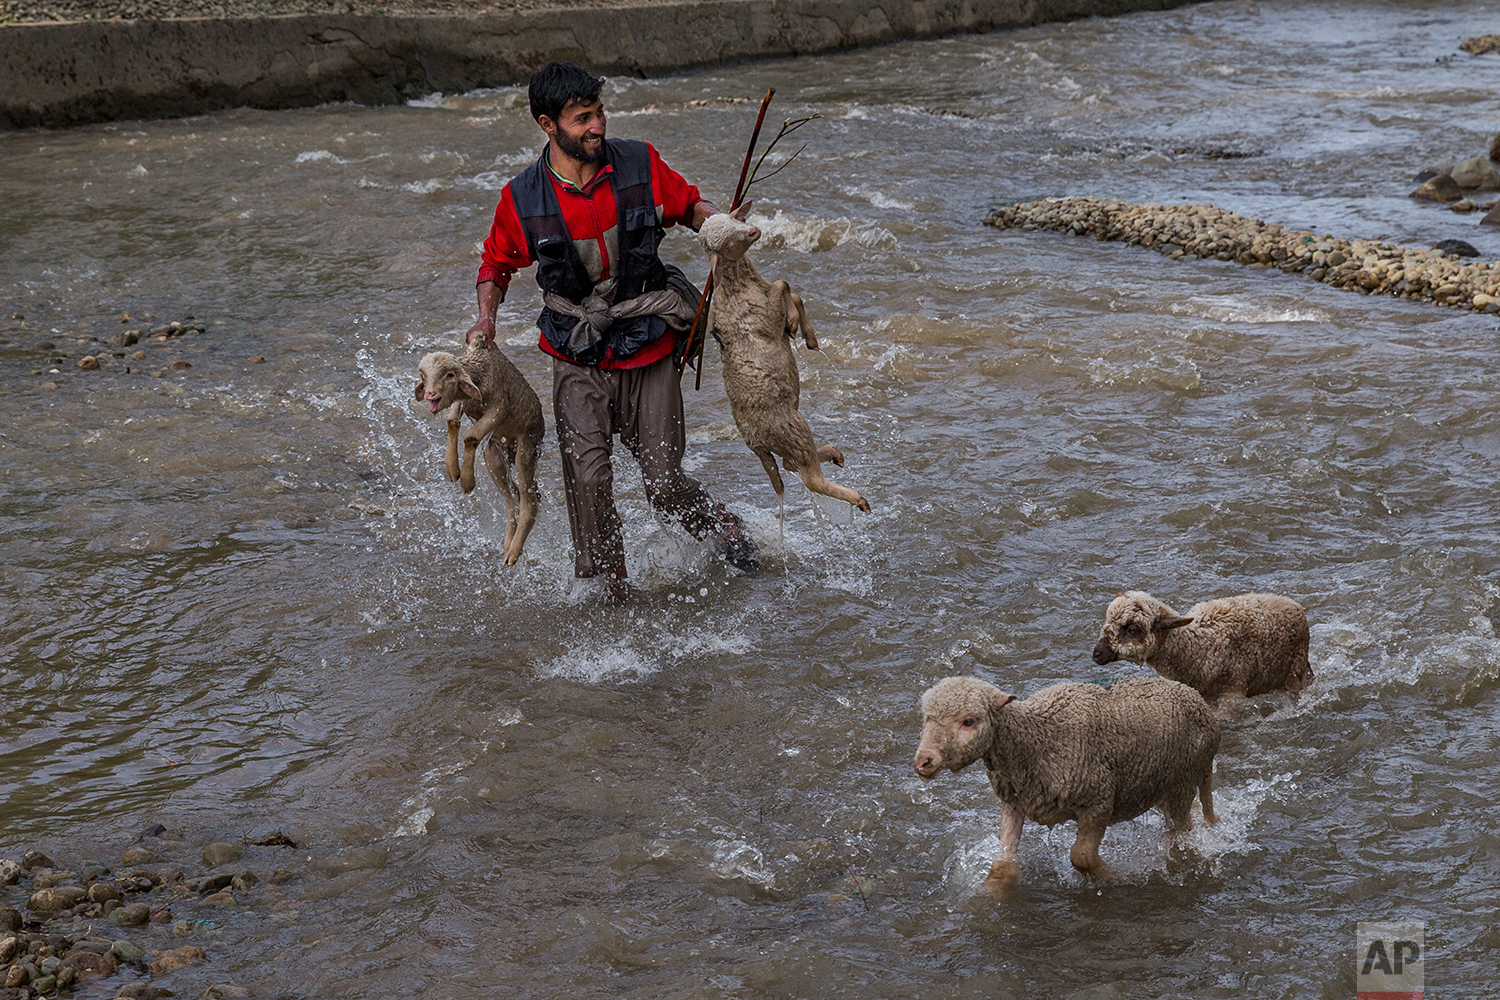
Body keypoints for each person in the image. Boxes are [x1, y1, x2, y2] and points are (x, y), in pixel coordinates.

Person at [467, 61, 758, 600]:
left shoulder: (640, 163)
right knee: (589, 479)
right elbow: (495, 266)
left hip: (648, 339)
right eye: (583, 118)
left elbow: (691, 204)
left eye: (599, 113)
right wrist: (486, 317)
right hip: (575, 352)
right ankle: (614, 587)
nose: (597, 126)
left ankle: (725, 530)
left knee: (665, 485)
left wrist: (720, 225)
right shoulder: (521, 198)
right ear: (547, 124)